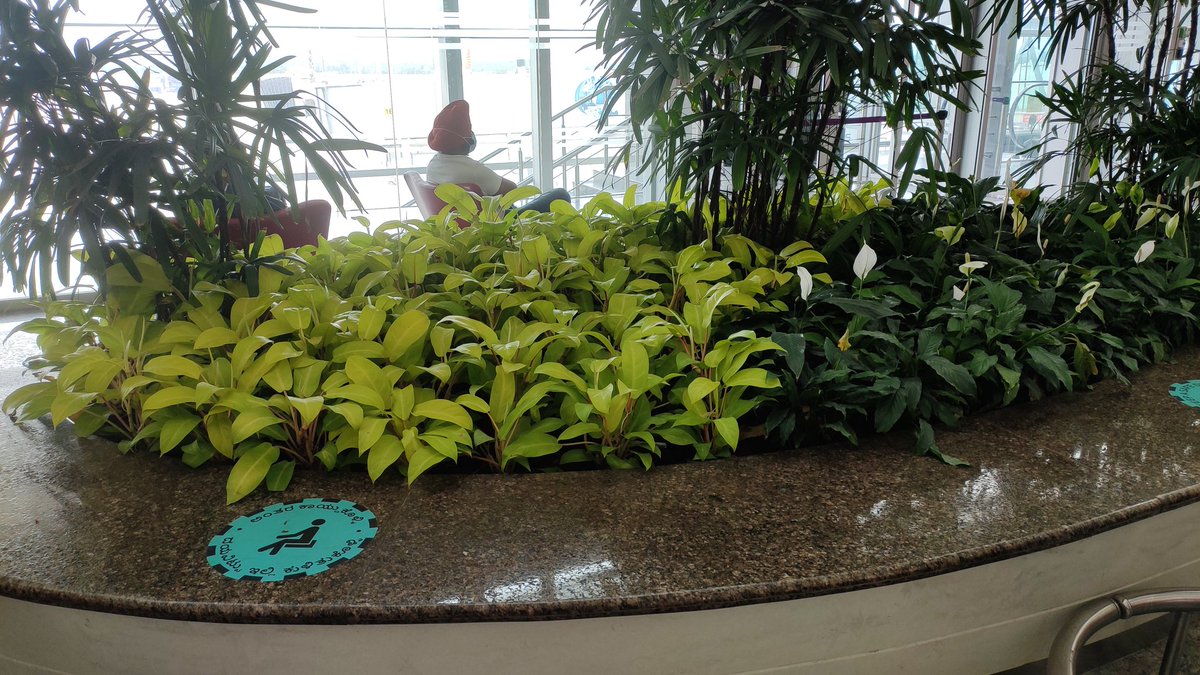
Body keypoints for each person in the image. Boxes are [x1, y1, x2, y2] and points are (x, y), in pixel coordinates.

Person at [426, 100, 572, 213]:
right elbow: (512, 190)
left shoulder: (433, 165)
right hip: (501, 225)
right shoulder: (472, 169)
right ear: (464, 140)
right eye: (469, 131)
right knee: (560, 194)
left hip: (463, 227)